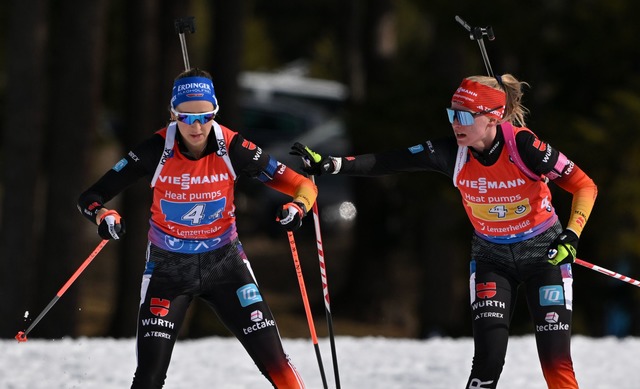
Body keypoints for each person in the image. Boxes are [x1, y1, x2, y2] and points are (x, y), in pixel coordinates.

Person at [291, 74, 597, 389]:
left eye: (464, 115)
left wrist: (572, 234)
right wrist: (333, 165)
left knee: (555, 362)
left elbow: (584, 185)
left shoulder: (524, 145)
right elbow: (389, 161)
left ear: (492, 117)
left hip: (544, 255)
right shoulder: (451, 152)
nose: (455, 123)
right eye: (452, 114)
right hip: (492, 258)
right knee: (487, 361)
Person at [78, 68, 316, 389]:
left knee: (276, 363)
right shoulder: (154, 150)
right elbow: (90, 197)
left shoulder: (234, 147)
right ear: (173, 114)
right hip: (168, 270)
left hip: (226, 265)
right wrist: (103, 215)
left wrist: (297, 206)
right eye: (185, 117)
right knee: (149, 376)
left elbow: (302, 185)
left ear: (214, 112)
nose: (195, 126)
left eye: (204, 116)